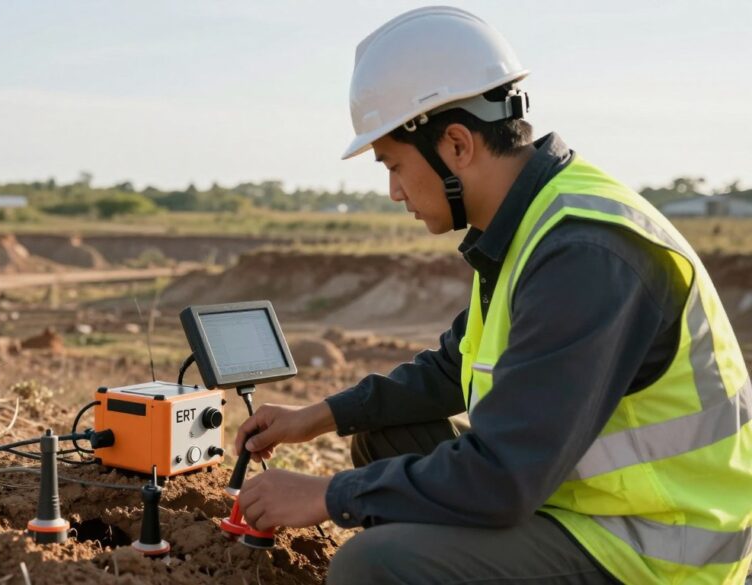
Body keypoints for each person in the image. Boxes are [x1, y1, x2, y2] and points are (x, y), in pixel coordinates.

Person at [234, 6, 752, 584]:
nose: (393, 191)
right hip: (578, 504)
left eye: (395, 165)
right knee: (387, 436)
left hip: (654, 550)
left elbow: (503, 477)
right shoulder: (530, 226)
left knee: (373, 568)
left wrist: (328, 495)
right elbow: (453, 370)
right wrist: (314, 418)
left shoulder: (584, 254)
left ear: (456, 145)